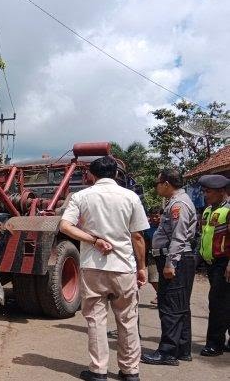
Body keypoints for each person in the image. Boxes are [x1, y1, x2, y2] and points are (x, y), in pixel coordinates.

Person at [59, 156, 148, 381]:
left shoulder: (81, 196)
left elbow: (65, 226)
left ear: (91, 175)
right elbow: (137, 236)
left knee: (96, 320)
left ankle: (98, 371)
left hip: (93, 267)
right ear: (117, 174)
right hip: (124, 267)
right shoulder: (131, 197)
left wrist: (93, 240)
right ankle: (130, 372)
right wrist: (142, 267)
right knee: (127, 320)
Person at [142, 169, 197, 366]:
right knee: (180, 305)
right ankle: (182, 349)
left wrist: (170, 263)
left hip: (176, 258)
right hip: (179, 257)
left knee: (170, 307)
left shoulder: (178, 204)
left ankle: (167, 352)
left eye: (158, 182)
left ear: (166, 183)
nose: (156, 186)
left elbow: (179, 236)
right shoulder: (177, 202)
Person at [197, 174, 230, 357]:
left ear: (221, 191)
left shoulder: (228, 210)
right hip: (211, 264)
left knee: (217, 304)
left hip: (224, 263)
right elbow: (203, 237)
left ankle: (214, 344)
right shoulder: (209, 210)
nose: (205, 195)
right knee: (225, 303)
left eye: (208, 191)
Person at [144, 208, 162, 304]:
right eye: (152, 216)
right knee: (153, 279)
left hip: (165, 255)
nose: (154, 218)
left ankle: (163, 296)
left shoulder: (165, 227)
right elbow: (146, 243)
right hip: (152, 255)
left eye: (157, 216)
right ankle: (161, 295)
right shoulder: (147, 228)